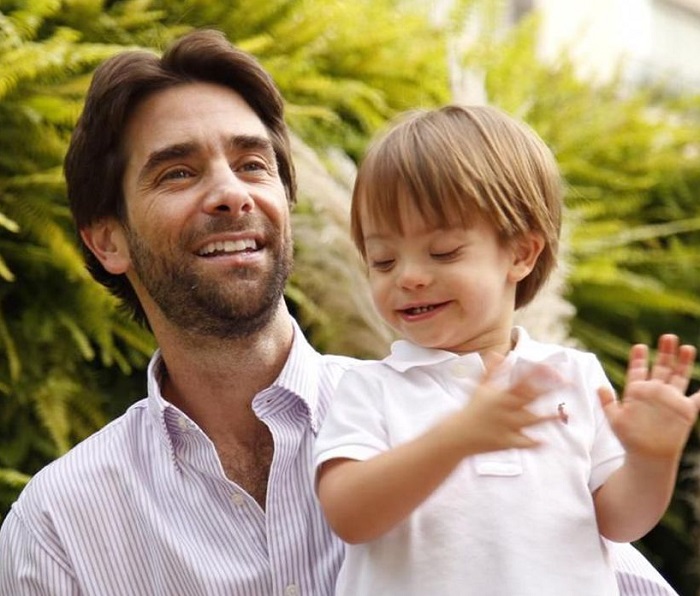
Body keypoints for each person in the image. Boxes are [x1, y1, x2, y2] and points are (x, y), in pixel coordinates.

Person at [0, 29, 687, 596]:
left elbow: (606, 546)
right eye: (177, 172)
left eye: (254, 164)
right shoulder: (59, 526)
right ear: (107, 240)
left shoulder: (487, 399)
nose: (232, 193)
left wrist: (652, 455)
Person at [313, 105, 700, 595]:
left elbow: (620, 522)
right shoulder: (371, 388)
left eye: (443, 252)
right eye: (383, 260)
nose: (408, 276)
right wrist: (457, 439)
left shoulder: (571, 376)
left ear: (520, 253)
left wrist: (651, 459)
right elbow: (348, 515)